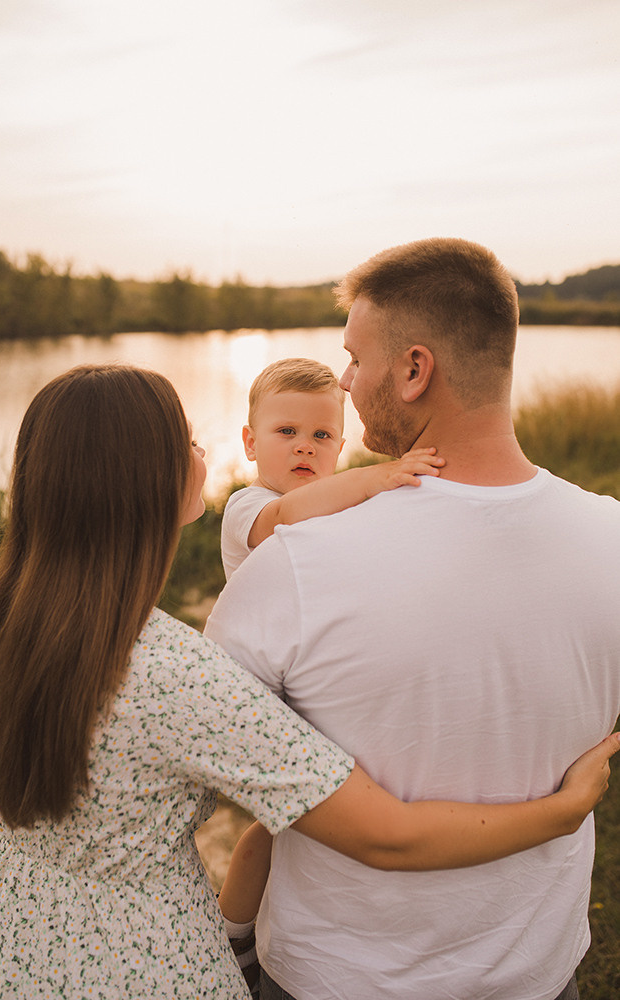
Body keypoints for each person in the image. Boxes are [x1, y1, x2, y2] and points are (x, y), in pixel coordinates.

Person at [204, 238, 620, 1000]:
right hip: (538, 973)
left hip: (339, 981)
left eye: (354, 360)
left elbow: (212, 753)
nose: (348, 383)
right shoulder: (614, 540)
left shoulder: (301, 559)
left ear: (414, 369)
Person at [221, 356, 443, 578]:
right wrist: (371, 478)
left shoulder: (333, 505)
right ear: (251, 444)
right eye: (287, 431)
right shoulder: (245, 506)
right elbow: (283, 515)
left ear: (338, 449)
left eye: (321, 435)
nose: (306, 448)